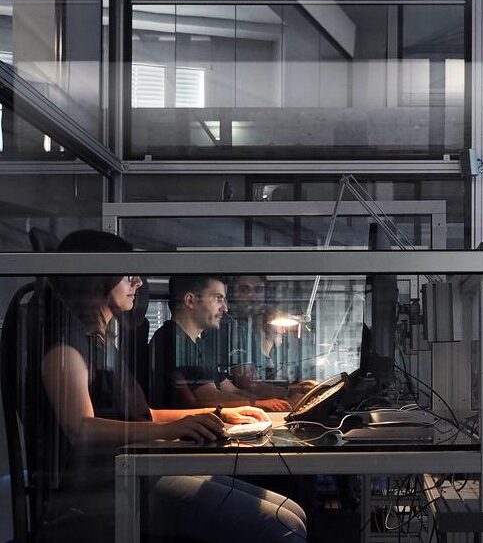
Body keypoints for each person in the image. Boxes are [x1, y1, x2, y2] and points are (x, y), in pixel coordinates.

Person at [37, 230, 307, 543]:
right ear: (97, 277)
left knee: (292, 511)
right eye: (128, 275)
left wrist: (217, 413)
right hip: (112, 485)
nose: (137, 283)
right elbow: (81, 428)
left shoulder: (104, 346)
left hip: (137, 470)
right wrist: (170, 430)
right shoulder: (66, 349)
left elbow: (144, 414)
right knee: (283, 525)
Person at [147, 275, 292, 411]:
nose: (225, 308)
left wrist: (271, 404)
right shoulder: (171, 339)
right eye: (218, 298)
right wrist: (258, 405)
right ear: (190, 301)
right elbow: (207, 396)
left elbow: (231, 390)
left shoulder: (199, 344)